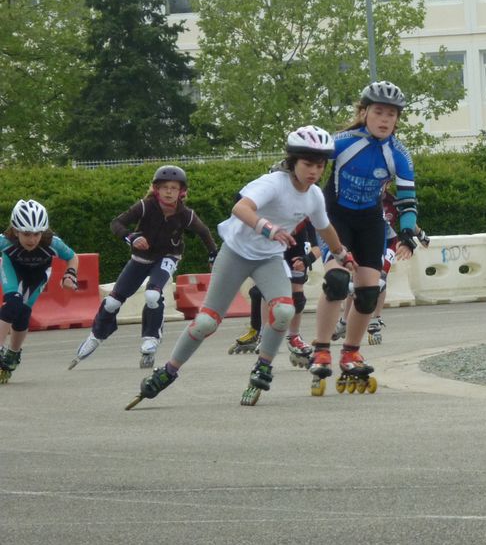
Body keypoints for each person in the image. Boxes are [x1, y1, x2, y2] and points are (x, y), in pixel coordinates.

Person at [126, 126, 351, 409]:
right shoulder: (273, 183)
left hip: (269, 258)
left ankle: (263, 366)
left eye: (319, 166)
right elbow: (241, 208)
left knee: (283, 310)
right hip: (236, 252)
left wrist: (342, 254)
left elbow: (325, 227)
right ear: (293, 162)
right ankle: (169, 370)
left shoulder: (314, 195)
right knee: (207, 321)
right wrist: (267, 227)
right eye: (307, 164)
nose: (313, 172)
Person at [311, 81, 420, 388]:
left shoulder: (399, 154)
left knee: (369, 292)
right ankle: (320, 349)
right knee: (336, 282)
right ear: (364, 113)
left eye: (391, 114)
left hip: (370, 221)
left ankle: (350, 352)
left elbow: (407, 200)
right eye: (378, 112)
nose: (385, 119)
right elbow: (309, 159)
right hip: (335, 217)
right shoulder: (344, 142)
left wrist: (407, 229)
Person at [70, 166, 218, 370]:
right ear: (156, 189)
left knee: (153, 296)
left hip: (168, 257)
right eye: (164, 187)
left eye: (174, 188)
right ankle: (97, 335)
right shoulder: (145, 206)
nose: (169, 192)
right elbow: (117, 223)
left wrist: (213, 254)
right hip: (140, 259)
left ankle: (151, 339)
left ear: (181, 192)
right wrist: (131, 237)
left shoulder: (186, 214)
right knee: (112, 301)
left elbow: (204, 232)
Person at [332, 183, 429, 346]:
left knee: (380, 281)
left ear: (388, 184)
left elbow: (409, 219)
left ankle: (375, 320)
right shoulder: (361, 198)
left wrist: (421, 235)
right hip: (364, 243)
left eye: (383, 183)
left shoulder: (393, 201)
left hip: (387, 243)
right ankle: (344, 322)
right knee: (353, 284)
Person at [0, 200, 80, 383]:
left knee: (23, 314)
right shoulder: (5, 241)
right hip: (13, 270)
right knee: (12, 303)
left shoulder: (52, 243)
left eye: (36, 234)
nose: (32, 239)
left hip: (37, 276)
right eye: (26, 234)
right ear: (16, 230)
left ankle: (13, 353)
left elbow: (73, 257)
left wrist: (70, 275)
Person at [228, 215, 320, 367]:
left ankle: (294, 336)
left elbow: (318, 248)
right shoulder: (273, 211)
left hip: (296, 249)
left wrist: (307, 259)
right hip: (273, 245)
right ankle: (264, 334)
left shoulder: (306, 218)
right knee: (266, 292)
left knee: (298, 297)